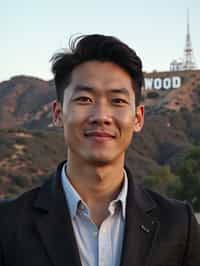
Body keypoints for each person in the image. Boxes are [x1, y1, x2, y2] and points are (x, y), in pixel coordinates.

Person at [0, 34, 199, 266]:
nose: (101, 116)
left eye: (118, 101)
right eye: (84, 99)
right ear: (57, 113)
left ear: (138, 118)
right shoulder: (8, 224)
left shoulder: (177, 225)